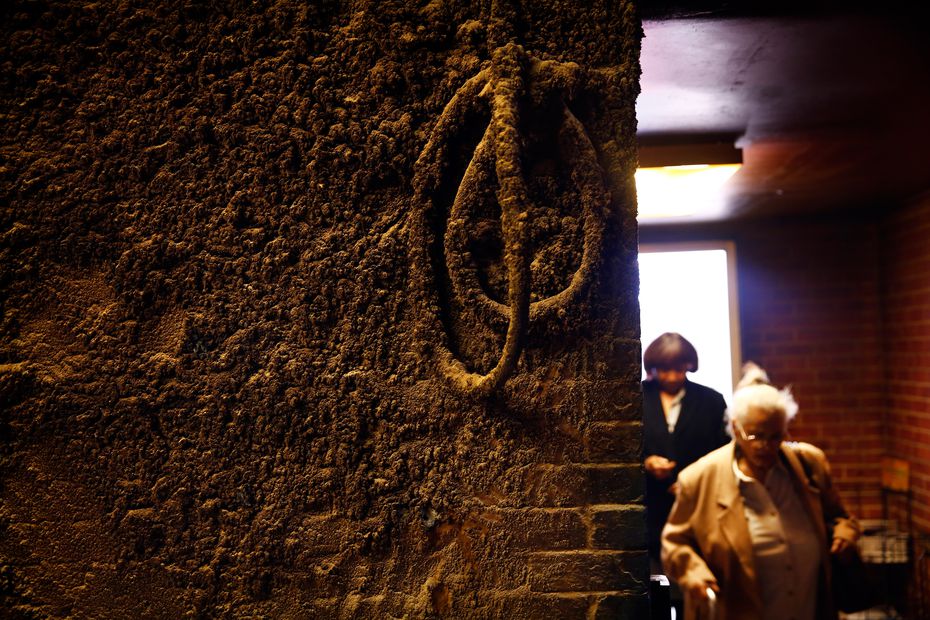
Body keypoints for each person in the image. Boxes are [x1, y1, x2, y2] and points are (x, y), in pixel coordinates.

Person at [661, 366, 860, 620]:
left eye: (776, 436)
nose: (765, 446)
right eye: (756, 435)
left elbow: (841, 518)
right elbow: (674, 544)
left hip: (809, 608)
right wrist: (694, 572)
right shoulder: (699, 477)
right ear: (735, 427)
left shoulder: (810, 464)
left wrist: (844, 534)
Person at [642, 332, 730, 566]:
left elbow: (724, 453)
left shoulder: (711, 401)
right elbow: (615, 446)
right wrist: (646, 462)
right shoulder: (634, 397)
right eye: (664, 370)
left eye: (679, 369)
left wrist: (694, 481)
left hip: (697, 509)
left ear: (689, 366)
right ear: (653, 367)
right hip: (647, 508)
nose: (672, 377)